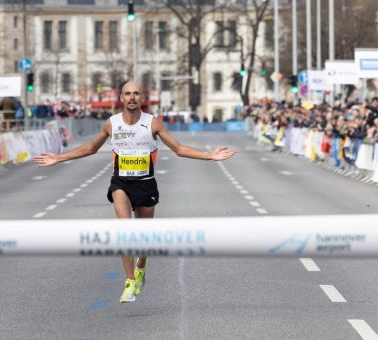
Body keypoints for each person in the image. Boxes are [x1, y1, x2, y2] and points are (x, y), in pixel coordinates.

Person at [32, 81, 236, 303]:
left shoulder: (152, 124)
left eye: (136, 94)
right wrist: (59, 158)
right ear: (121, 98)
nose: (131, 97)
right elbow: (91, 148)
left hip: (146, 183)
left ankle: (141, 265)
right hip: (121, 183)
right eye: (127, 94)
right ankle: (129, 281)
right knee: (125, 231)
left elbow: (178, 148)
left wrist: (208, 155)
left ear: (142, 98)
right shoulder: (112, 124)